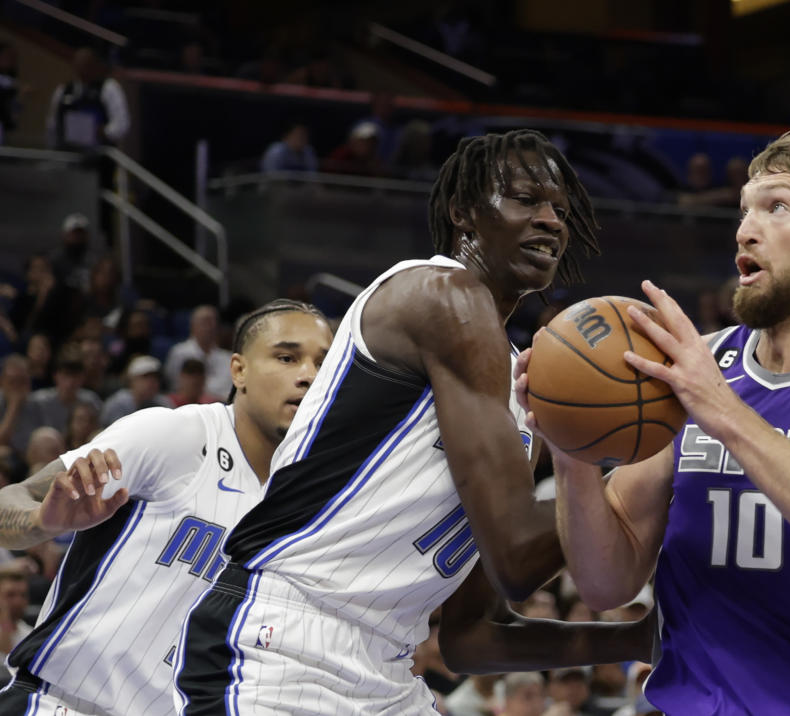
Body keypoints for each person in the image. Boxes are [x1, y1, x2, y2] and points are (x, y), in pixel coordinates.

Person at [172, 130, 660, 715]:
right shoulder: (440, 294)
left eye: (560, 209)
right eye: (527, 200)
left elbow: (472, 638)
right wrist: (654, 467)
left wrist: (639, 637)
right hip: (281, 640)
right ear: (464, 214)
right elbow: (518, 558)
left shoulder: (517, 407)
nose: (552, 221)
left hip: (386, 669)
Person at [522, 131, 790, 714]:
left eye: (777, 207)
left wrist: (723, 412)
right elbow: (606, 582)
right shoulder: (698, 364)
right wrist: (571, 446)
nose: (746, 229)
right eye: (744, 209)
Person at [0, 299, 333, 715]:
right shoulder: (175, 435)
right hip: (61, 703)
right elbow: (9, 503)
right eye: (287, 357)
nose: (308, 376)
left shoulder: (312, 504)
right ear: (238, 370)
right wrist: (40, 520)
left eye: (324, 365)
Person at [164, 305, 233, 401]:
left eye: (213, 322)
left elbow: (231, 390)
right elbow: (174, 386)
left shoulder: (228, 358)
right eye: (205, 322)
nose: (210, 327)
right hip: (187, 405)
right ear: (192, 326)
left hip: (221, 406)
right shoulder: (179, 353)